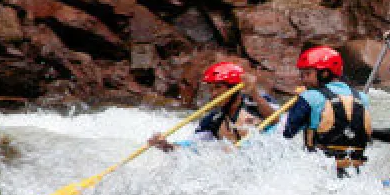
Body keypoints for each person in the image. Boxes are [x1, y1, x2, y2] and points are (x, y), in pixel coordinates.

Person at [148, 61, 279, 151]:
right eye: (211, 89)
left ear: (234, 87)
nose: (214, 94)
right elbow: (191, 147)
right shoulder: (213, 119)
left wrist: (254, 93)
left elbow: (275, 120)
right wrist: (166, 146)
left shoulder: (257, 102)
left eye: (218, 87)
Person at [282, 45, 371, 174]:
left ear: (324, 73)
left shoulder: (309, 96)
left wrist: (298, 102)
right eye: (302, 75)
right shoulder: (362, 98)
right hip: (356, 170)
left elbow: (288, 132)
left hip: (319, 170)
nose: (303, 80)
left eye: (307, 74)